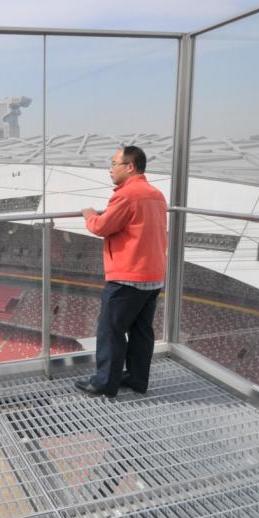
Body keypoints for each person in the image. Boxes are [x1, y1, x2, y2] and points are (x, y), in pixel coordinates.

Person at [75, 146, 168, 398]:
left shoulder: (127, 195)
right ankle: (137, 380)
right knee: (141, 332)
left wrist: (89, 215)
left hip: (129, 276)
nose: (110, 169)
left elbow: (102, 227)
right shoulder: (156, 194)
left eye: (114, 164)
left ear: (130, 166)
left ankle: (105, 383)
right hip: (153, 275)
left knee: (111, 330)